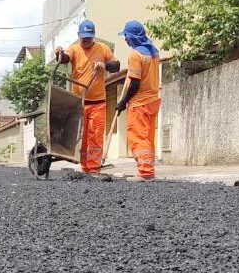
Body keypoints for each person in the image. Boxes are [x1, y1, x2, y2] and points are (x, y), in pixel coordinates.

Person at [53, 20, 120, 175]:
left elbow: (116, 65)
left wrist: (104, 65)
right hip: (80, 103)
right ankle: (85, 168)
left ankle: (94, 168)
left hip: (98, 102)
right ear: (79, 36)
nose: (86, 41)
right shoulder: (74, 49)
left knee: (96, 137)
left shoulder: (102, 49)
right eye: (84, 38)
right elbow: (65, 58)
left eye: (89, 38)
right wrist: (60, 54)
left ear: (93, 36)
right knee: (81, 136)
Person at [116, 21, 162, 180]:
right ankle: (149, 170)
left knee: (137, 137)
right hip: (153, 100)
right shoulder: (153, 52)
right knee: (148, 137)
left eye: (126, 36)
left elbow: (134, 83)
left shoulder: (135, 55)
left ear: (132, 37)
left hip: (139, 103)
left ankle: (145, 172)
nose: (125, 40)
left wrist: (122, 102)